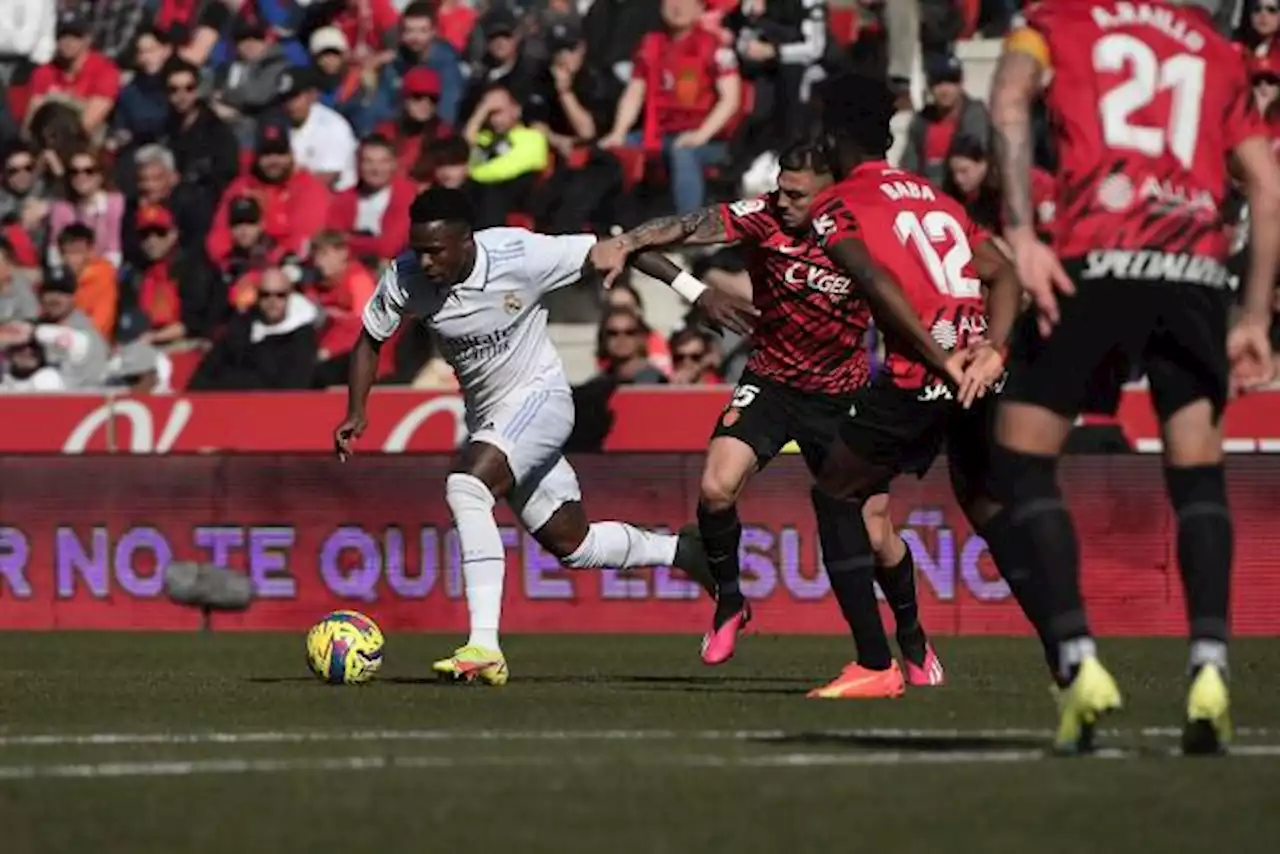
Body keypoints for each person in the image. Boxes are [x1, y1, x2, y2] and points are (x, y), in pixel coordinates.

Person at [988, 0, 1280, 755]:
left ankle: (1078, 660)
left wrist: (1021, 230)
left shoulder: (1056, 21)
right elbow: (1268, 186)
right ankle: (1210, 666)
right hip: (1193, 272)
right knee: (1198, 478)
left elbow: (1010, 98)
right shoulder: (1217, 50)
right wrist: (1251, 314)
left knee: (1019, 464)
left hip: (1098, 255)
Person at [332, 188, 714, 686]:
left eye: (435, 250)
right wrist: (356, 410)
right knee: (573, 544)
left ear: (466, 241)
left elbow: (624, 248)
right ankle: (684, 553)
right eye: (418, 249)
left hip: (542, 400)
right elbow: (370, 339)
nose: (424, 262)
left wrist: (696, 292)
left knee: (466, 487)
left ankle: (484, 646)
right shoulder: (405, 278)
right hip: (494, 421)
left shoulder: (520, 254)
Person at [608, 140, 946, 688]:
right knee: (716, 488)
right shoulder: (761, 218)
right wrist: (697, 293)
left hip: (843, 396)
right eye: (781, 189)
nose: (782, 201)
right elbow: (648, 240)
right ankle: (730, 603)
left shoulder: (865, 235)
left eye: (796, 194)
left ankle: (911, 635)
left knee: (877, 533)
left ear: (830, 194)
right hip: (770, 382)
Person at [793, 74, 1027, 700]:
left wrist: (937, 358)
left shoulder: (836, 205)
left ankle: (875, 663)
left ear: (834, 139)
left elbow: (876, 283)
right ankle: (1070, 651)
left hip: (921, 374)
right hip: (980, 371)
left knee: (835, 494)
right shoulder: (933, 195)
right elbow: (1007, 276)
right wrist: (991, 352)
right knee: (988, 509)